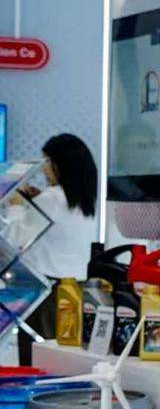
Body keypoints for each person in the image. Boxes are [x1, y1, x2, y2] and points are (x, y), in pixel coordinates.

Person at [12, 134, 99, 365]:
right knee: (66, 357)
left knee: (38, 360)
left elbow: (15, 238)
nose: (44, 169)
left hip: (47, 294)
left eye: (48, 161)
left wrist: (16, 206)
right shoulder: (86, 199)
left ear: (61, 164)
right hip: (79, 289)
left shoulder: (51, 199)